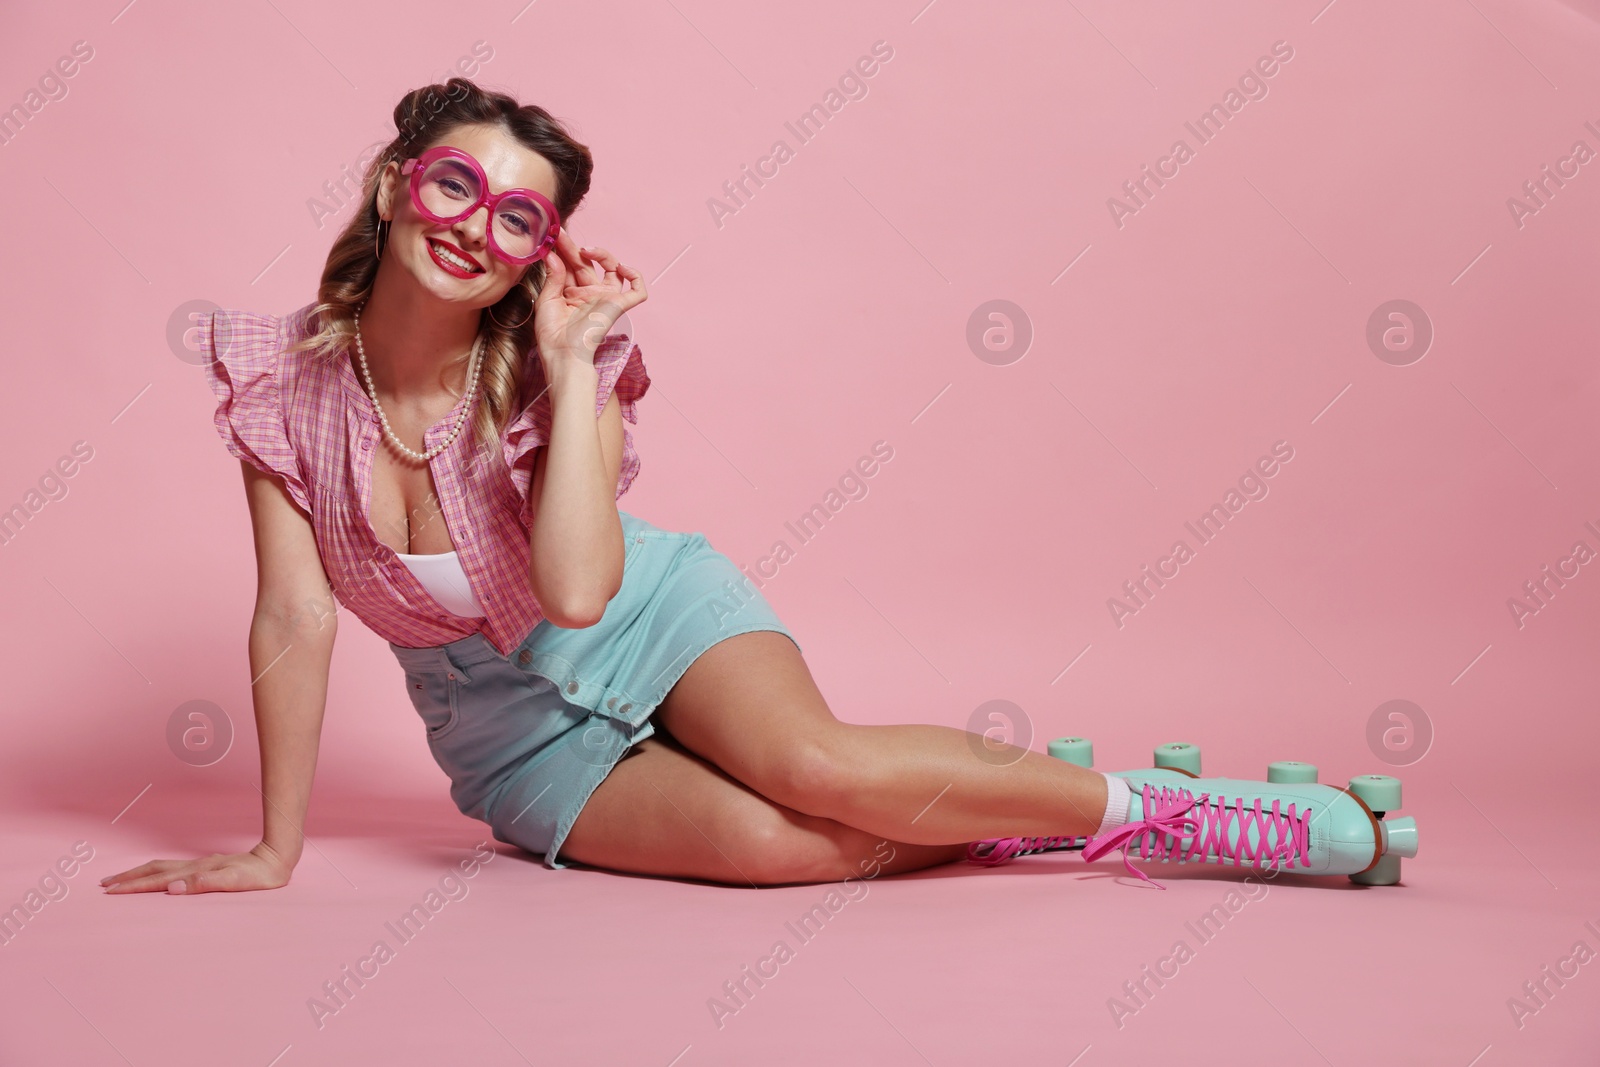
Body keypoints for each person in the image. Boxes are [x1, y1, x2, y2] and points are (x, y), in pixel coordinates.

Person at [102, 78, 1393, 896]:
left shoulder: (574, 363)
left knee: (816, 765)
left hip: (652, 612)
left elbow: (580, 586)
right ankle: (998, 804)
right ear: (396, 184)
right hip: (503, 737)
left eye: (516, 218)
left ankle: (1173, 813)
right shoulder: (281, 383)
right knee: (786, 848)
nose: (473, 225)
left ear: (535, 258)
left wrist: (567, 361)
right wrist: (274, 851)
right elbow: (295, 619)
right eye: (456, 182)